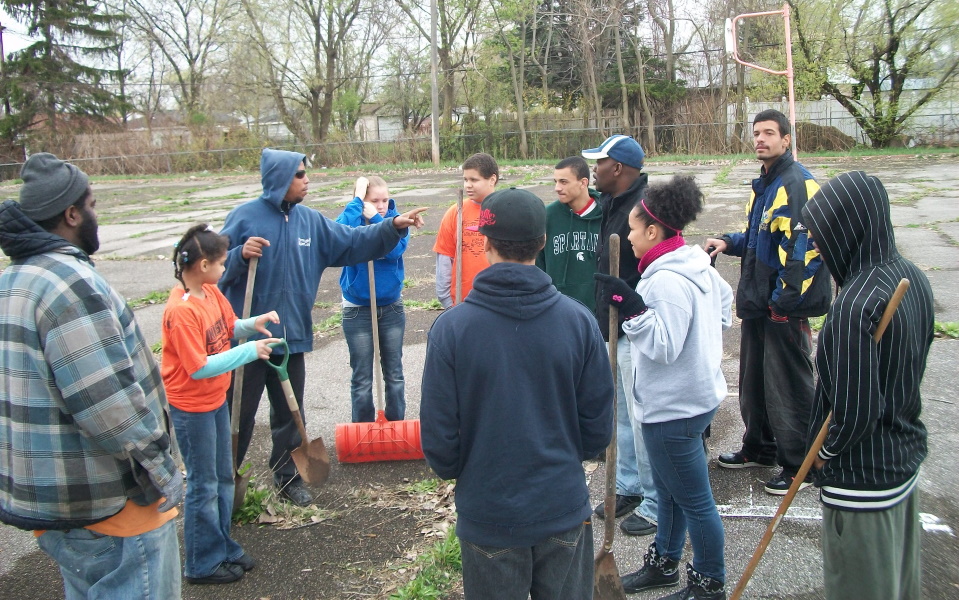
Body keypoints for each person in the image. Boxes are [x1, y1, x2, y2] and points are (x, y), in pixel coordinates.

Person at [0, 153, 183, 599]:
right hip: (111, 508)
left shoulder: (14, 281)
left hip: (53, 506)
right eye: (94, 205)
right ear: (72, 213)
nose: (97, 217)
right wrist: (163, 469)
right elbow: (107, 403)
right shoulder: (71, 283)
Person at [421, 188, 614, 599]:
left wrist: (472, 474)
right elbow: (598, 428)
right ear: (542, 242)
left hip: (489, 510)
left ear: (486, 243)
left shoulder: (452, 329)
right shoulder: (579, 322)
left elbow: (439, 439)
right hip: (561, 504)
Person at [219, 149, 425, 506]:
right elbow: (214, 270)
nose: (306, 179)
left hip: (291, 337)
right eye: (299, 174)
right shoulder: (243, 219)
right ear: (278, 179)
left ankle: (287, 478)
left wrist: (393, 226)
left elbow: (352, 242)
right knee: (239, 416)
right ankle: (224, 484)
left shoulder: (310, 223)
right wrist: (238, 256)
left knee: (288, 414)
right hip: (249, 341)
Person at [596, 176, 732, 599]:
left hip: (674, 408)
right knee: (671, 492)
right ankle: (664, 562)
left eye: (633, 230)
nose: (629, 238)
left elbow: (664, 346)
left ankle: (709, 582)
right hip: (695, 396)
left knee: (694, 501)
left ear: (652, 232)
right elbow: (724, 304)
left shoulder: (665, 280)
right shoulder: (694, 263)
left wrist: (634, 309)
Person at [802, 171, 934, 600]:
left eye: (820, 232)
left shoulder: (853, 307)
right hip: (902, 465)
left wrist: (822, 455)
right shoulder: (911, 277)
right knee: (900, 587)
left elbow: (854, 412)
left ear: (847, 228)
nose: (813, 244)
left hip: (864, 485)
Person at [704, 109, 831, 495]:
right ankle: (759, 447)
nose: (760, 139)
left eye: (769, 133)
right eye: (756, 133)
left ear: (787, 140)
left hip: (782, 309)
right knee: (755, 382)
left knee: (789, 387)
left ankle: (802, 467)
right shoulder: (766, 183)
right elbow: (759, 239)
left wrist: (783, 303)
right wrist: (728, 241)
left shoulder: (796, 184)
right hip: (760, 304)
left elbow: (805, 251)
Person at [161, 224, 281, 584]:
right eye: (221, 263)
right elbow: (198, 367)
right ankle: (201, 562)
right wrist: (248, 351)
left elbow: (229, 326)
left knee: (222, 477)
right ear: (201, 265)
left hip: (214, 400)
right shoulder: (180, 312)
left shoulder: (211, 292)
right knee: (203, 484)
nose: (225, 269)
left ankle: (222, 544)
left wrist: (252, 325)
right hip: (191, 406)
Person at [582, 134, 659, 537]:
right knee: (621, 415)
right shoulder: (612, 203)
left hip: (632, 327)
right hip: (609, 325)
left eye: (599, 163)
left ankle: (655, 498)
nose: (593, 170)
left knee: (641, 416)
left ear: (618, 168)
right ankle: (628, 484)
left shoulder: (645, 208)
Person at [335, 176, 408, 422]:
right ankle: (362, 430)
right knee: (362, 377)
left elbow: (395, 249)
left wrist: (378, 221)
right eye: (374, 201)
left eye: (384, 199)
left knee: (394, 373)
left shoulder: (396, 220)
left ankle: (396, 425)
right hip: (357, 308)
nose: (381, 205)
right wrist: (356, 204)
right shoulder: (351, 219)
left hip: (390, 306)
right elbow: (337, 239)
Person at [535, 156, 602, 311]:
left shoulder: (607, 214)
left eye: (563, 182)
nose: (557, 188)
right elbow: (538, 265)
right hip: (557, 310)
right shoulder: (548, 216)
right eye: (555, 182)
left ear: (583, 182)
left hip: (598, 311)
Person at [433, 152, 498, 307]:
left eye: (474, 180)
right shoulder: (456, 212)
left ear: (492, 180)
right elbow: (444, 257)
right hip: (463, 302)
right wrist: (447, 301)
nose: (467, 185)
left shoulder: (505, 210)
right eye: (465, 179)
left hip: (498, 300)